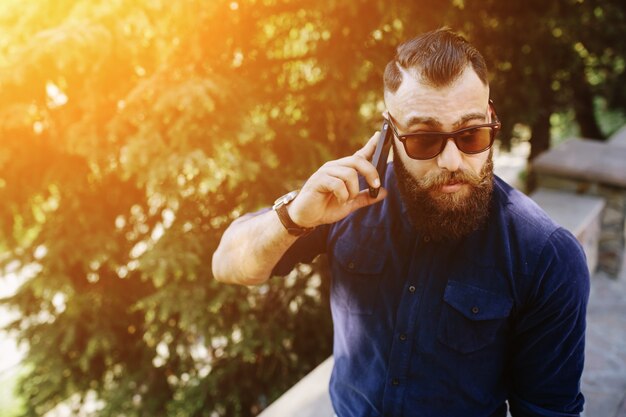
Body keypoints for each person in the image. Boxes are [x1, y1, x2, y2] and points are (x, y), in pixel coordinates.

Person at [212, 28, 590, 417]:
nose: (452, 161)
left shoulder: (547, 255)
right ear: (389, 133)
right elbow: (228, 264)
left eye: (471, 135)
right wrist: (293, 219)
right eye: (425, 139)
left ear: (491, 119)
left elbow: (550, 411)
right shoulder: (344, 200)